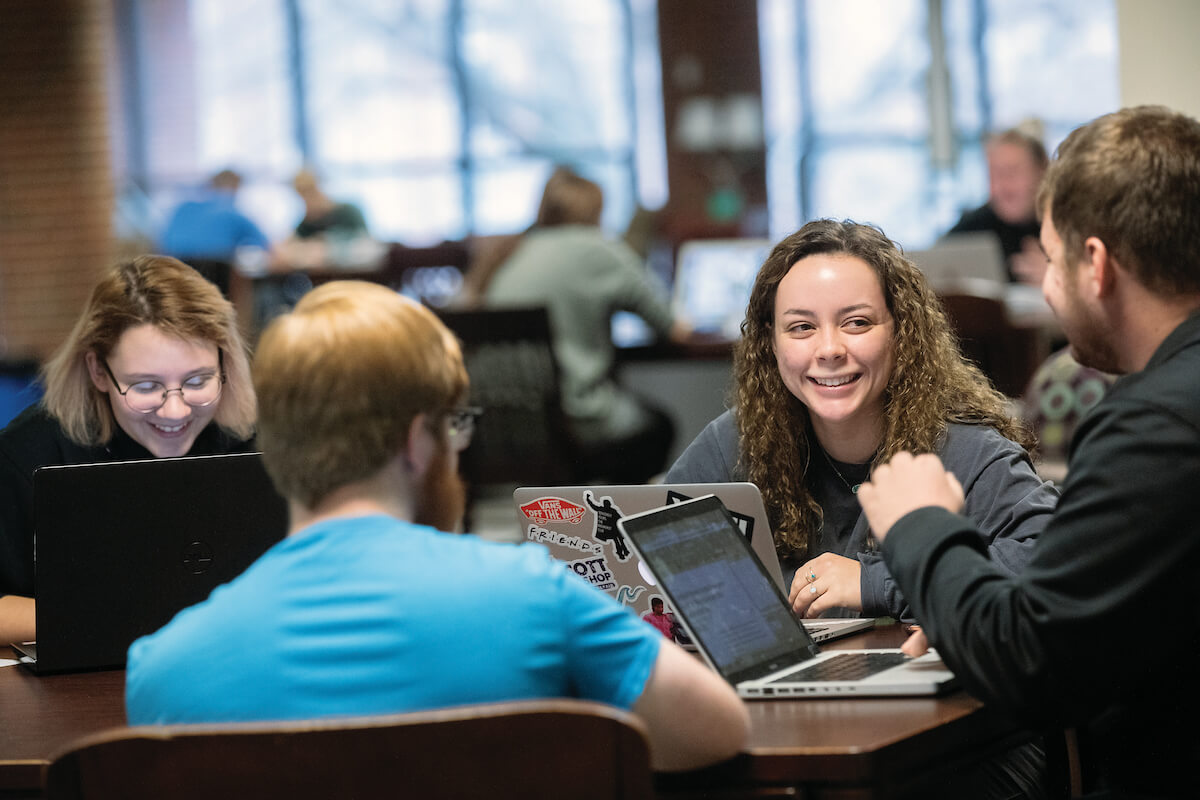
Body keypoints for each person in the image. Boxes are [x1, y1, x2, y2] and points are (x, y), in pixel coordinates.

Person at [124, 281, 748, 772]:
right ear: (416, 442)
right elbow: (718, 731)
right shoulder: (532, 596)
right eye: (453, 426)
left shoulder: (161, 674)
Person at [857, 105, 1200, 798]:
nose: (1047, 283)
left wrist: (922, 525)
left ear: (1095, 264)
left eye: (1051, 256)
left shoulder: (1155, 429)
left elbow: (1033, 666)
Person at [666, 219, 1058, 622]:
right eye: (801, 327)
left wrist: (877, 582)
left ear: (901, 333)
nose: (830, 349)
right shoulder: (739, 439)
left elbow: (1055, 562)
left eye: (857, 323)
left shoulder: (967, 450)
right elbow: (643, 545)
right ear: (771, 342)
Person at [0, 255, 257, 644]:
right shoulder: (28, 455)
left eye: (198, 380)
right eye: (146, 386)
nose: (176, 410)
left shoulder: (254, 441)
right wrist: (132, 619)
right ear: (98, 371)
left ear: (225, 364)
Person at [483, 166, 690, 483]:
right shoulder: (596, 249)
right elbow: (673, 327)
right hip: (576, 423)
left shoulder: (512, 252)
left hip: (511, 426)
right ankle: (624, 523)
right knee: (660, 427)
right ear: (596, 210)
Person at [948, 126, 1049, 286]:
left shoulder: (1067, 225)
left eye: (1012, 171)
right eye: (994, 174)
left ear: (1042, 171)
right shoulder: (971, 227)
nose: (1003, 185)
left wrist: (1061, 279)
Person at [159, 169, 272, 295]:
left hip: (176, 280)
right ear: (235, 188)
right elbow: (265, 243)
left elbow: (163, 242)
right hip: (218, 282)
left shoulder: (182, 208)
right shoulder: (231, 210)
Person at [290, 168, 368, 240]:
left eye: (311, 192)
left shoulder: (349, 213)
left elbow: (367, 244)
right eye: (303, 196)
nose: (308, 200)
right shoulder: (306, 225)